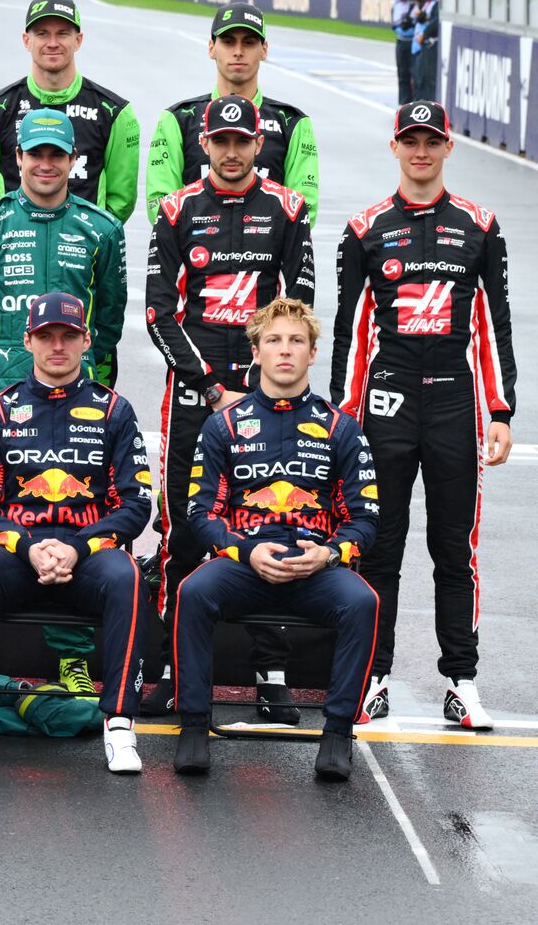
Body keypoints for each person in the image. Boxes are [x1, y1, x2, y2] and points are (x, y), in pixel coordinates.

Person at [331, 100, 515, 730]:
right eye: (410, 140)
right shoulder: (365, 228)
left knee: (452, 548)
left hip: (455, 404)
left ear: (446, 148)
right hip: (388, 401)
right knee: (379, 545)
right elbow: (350, 334)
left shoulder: (480, 225)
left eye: (431, 140)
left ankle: (461, 681)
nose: (421, 151)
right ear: (394, 147)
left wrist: (499, 408)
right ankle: (371, 676)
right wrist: (343, 415)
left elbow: (494, 327)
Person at [141, 94, 316, 721]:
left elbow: (298, 306)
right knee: (184, 523)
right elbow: (159, 312)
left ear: (258, 147)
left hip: (268, 384)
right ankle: (168, 667)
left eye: (244, 143)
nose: (233, 152)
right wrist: (214, 388)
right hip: (195, 388)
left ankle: (270, 672)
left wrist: (263, 382)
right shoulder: (177, 208)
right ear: (206, 144)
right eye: (221, 141)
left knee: (271, 518)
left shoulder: (287, 209)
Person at [175, 298, 380, 781]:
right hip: (245, 563)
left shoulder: (342, 428)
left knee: (363, 602)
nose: (285, 350)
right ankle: (193, 725)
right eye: (274, 340)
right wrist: (245, 550)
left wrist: (329, 554)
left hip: (313, 567)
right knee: (191, 592)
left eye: (296, 341)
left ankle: (337, 734)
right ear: (257, 352)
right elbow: (199, 513)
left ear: (312, 354)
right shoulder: (222, 424)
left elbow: (367, 519)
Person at [0, 292, 150, 774]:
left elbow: (137, 503)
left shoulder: (114, 411)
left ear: (86, 340)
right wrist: (28, 545)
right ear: (29, 342)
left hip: (90, 555)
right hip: (20, 555)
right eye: (46, 336)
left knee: (127, 576)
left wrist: (78, 548)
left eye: (67, 336)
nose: (56, 345)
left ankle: (119, 723)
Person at [0, 109, 125, 413]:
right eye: (35, 153)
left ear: (73, 159)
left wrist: (71, 360)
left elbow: (109, 322)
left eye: (56, 154)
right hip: (0, 387)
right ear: (18, 156)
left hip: (79, 386)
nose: (45, 164)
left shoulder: (103, 229)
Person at [0, 0, 140, 223]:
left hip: (85, 248)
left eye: (63, 33)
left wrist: (90, 235)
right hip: (14, 247)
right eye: (42, 33)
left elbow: (121, 201)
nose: (53, 43)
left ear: (78, 40)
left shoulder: (114, 112)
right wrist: (6, 236)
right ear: (27, 40)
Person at [145, 3, 320, 223]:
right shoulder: (178, 119)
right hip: (197, 253)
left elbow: (305, 209)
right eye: (228, 42)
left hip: (266, 254)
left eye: (249, 42)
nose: (238, 51)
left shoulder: (292, 123)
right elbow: (160, 204)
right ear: (211, 47)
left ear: (264, 49)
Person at [411, 0, 440, 101]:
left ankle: (429, 109)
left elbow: (435, 22)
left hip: (430, 44)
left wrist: (424, 35)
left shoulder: (438, 2)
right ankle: (419, 106)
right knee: (420, 78)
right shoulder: (427, 2)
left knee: (429, 79)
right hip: (420, 46)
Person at [391, 0, 416, 104]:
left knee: (414, 73)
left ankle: (414, 101)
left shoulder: (414, 4)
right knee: (402, 73)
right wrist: (404, 22)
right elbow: (395, 25)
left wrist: (410, 21)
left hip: (412, 41)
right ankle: (403, 102)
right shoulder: (396, 5)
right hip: (401, 41)